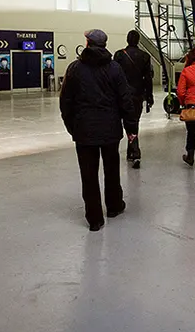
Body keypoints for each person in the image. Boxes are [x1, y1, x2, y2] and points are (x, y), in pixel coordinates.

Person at [60, 29, 140, 231]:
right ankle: (114, 206)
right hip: (110, 131)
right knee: (112, 170)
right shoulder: (114, 68)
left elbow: (66, 102)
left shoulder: (75, 69)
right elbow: (125, 100)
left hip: (84, 131)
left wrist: (73, 127)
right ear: (104, 45)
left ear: (87, 43)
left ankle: (94, 218)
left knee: (88, 175)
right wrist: (130, 127)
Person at [114, 30, 154, 169]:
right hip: (137, 95)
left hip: (121, 95)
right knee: (133, 122)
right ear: (138, 40)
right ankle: (134, 152)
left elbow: (113, 76)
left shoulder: (119, 55)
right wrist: (149, 96)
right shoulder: (145, 56)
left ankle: (133, 152)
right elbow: (148, 78)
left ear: (127, 39)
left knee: (124, 123)